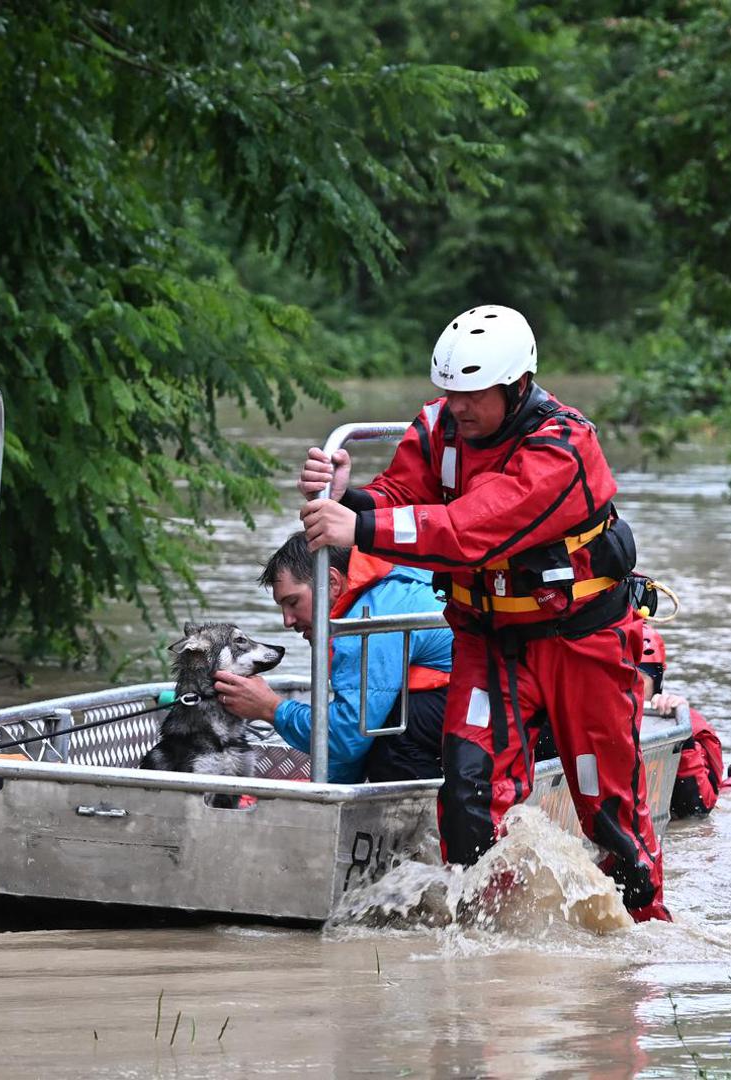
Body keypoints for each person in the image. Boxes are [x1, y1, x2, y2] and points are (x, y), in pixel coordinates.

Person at [296, 304, 671, 922]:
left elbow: (474, 529)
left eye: (473, 394)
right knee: (468, 790)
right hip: (490, 640)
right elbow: (404, 494)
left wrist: (358, 525)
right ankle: (483, 943)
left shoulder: (564, 448)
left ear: (517, 385)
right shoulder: (439, 428)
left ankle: (639, 948)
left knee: (609, 808)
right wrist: (351, 494)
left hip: (582, 643)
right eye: (450, 392)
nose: (458, 406)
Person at [214, 532, 453, 783]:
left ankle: (413, 819)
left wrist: (271, 708)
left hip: (481, 710)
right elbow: (349, 742)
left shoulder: (366, 624)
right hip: (483, 700)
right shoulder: (392, 579)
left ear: (332, 582)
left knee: (393, 729)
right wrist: (324, 794)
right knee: (378, 720)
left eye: (293, 602)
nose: (288, 621)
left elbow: (347, 736)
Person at [635, 623, 731, 815]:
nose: (623, 691)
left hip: (702, 795)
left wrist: (680, 732)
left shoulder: (678, 722)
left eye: (636, 679)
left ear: (657, 683)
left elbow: (697, 809)